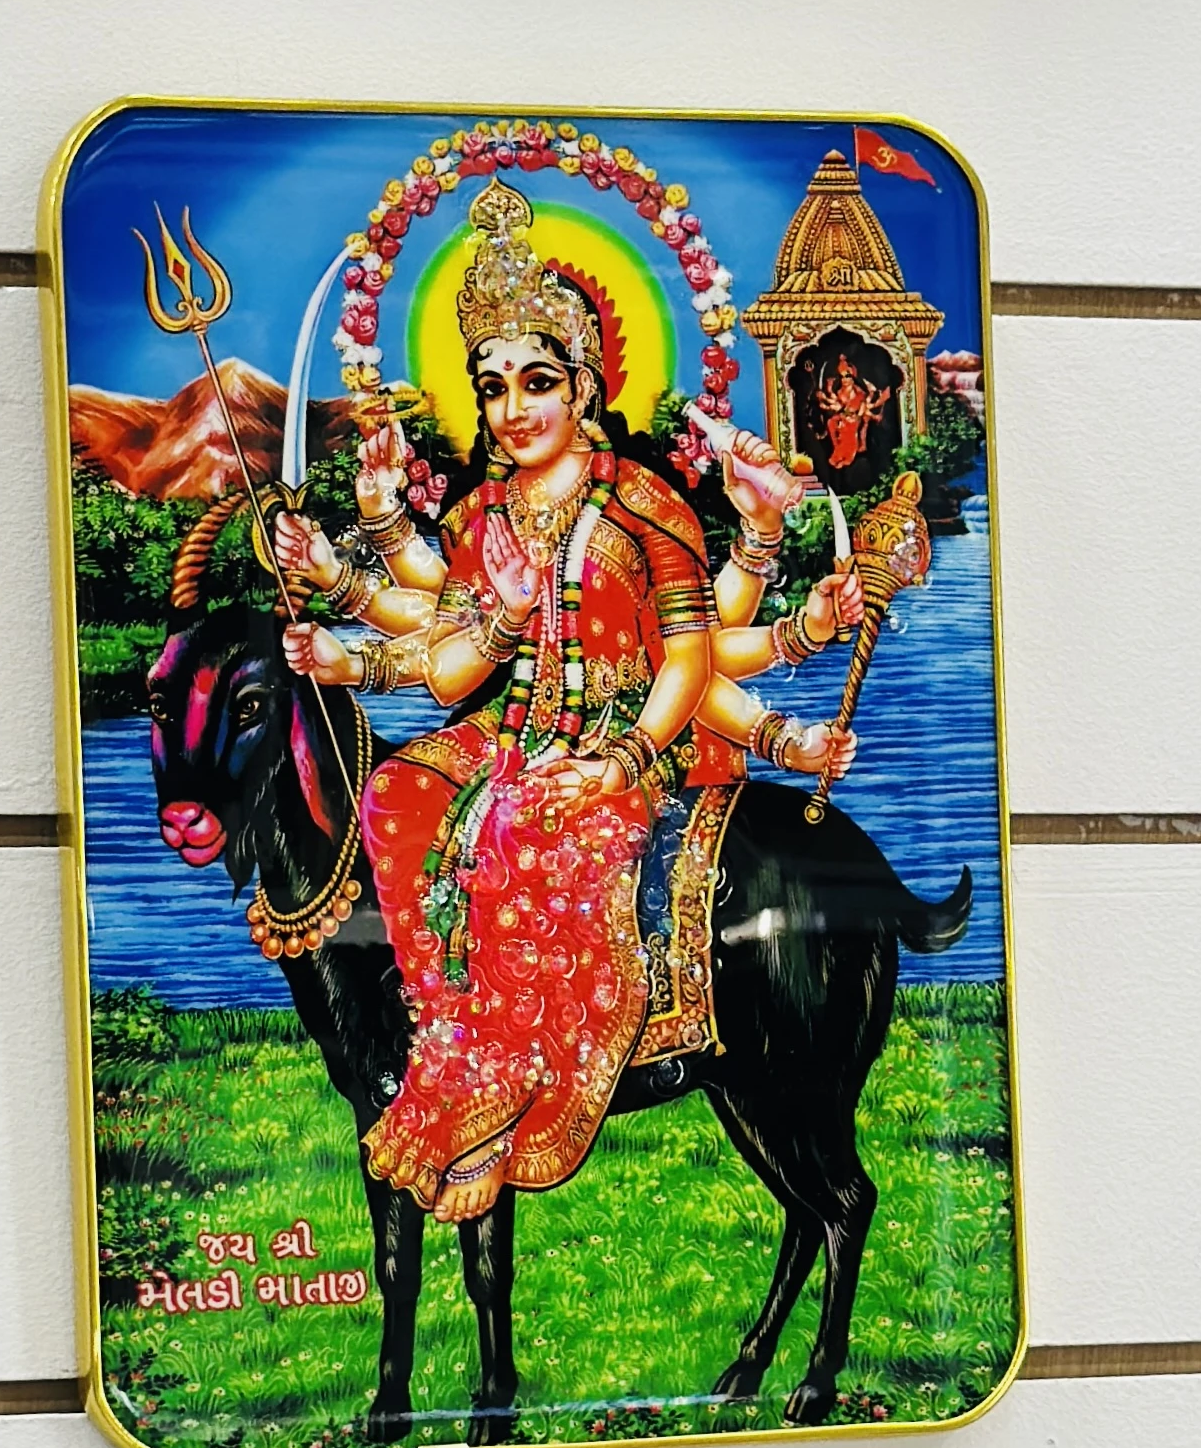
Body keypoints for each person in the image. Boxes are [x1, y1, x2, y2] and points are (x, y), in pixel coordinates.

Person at [281, 181, 861, 1222]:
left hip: (624, 740)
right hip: (507, 730)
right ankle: (456, 1047)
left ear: (583, 388)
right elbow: (449, 648)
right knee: (398, 793)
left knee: (522, 825)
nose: (513, 409)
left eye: (537, 382)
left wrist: (619, 761)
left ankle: (522, 1077)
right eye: (492, 387)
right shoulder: (481, 511)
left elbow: (688, 658)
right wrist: (346, 611)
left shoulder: (641, 502)